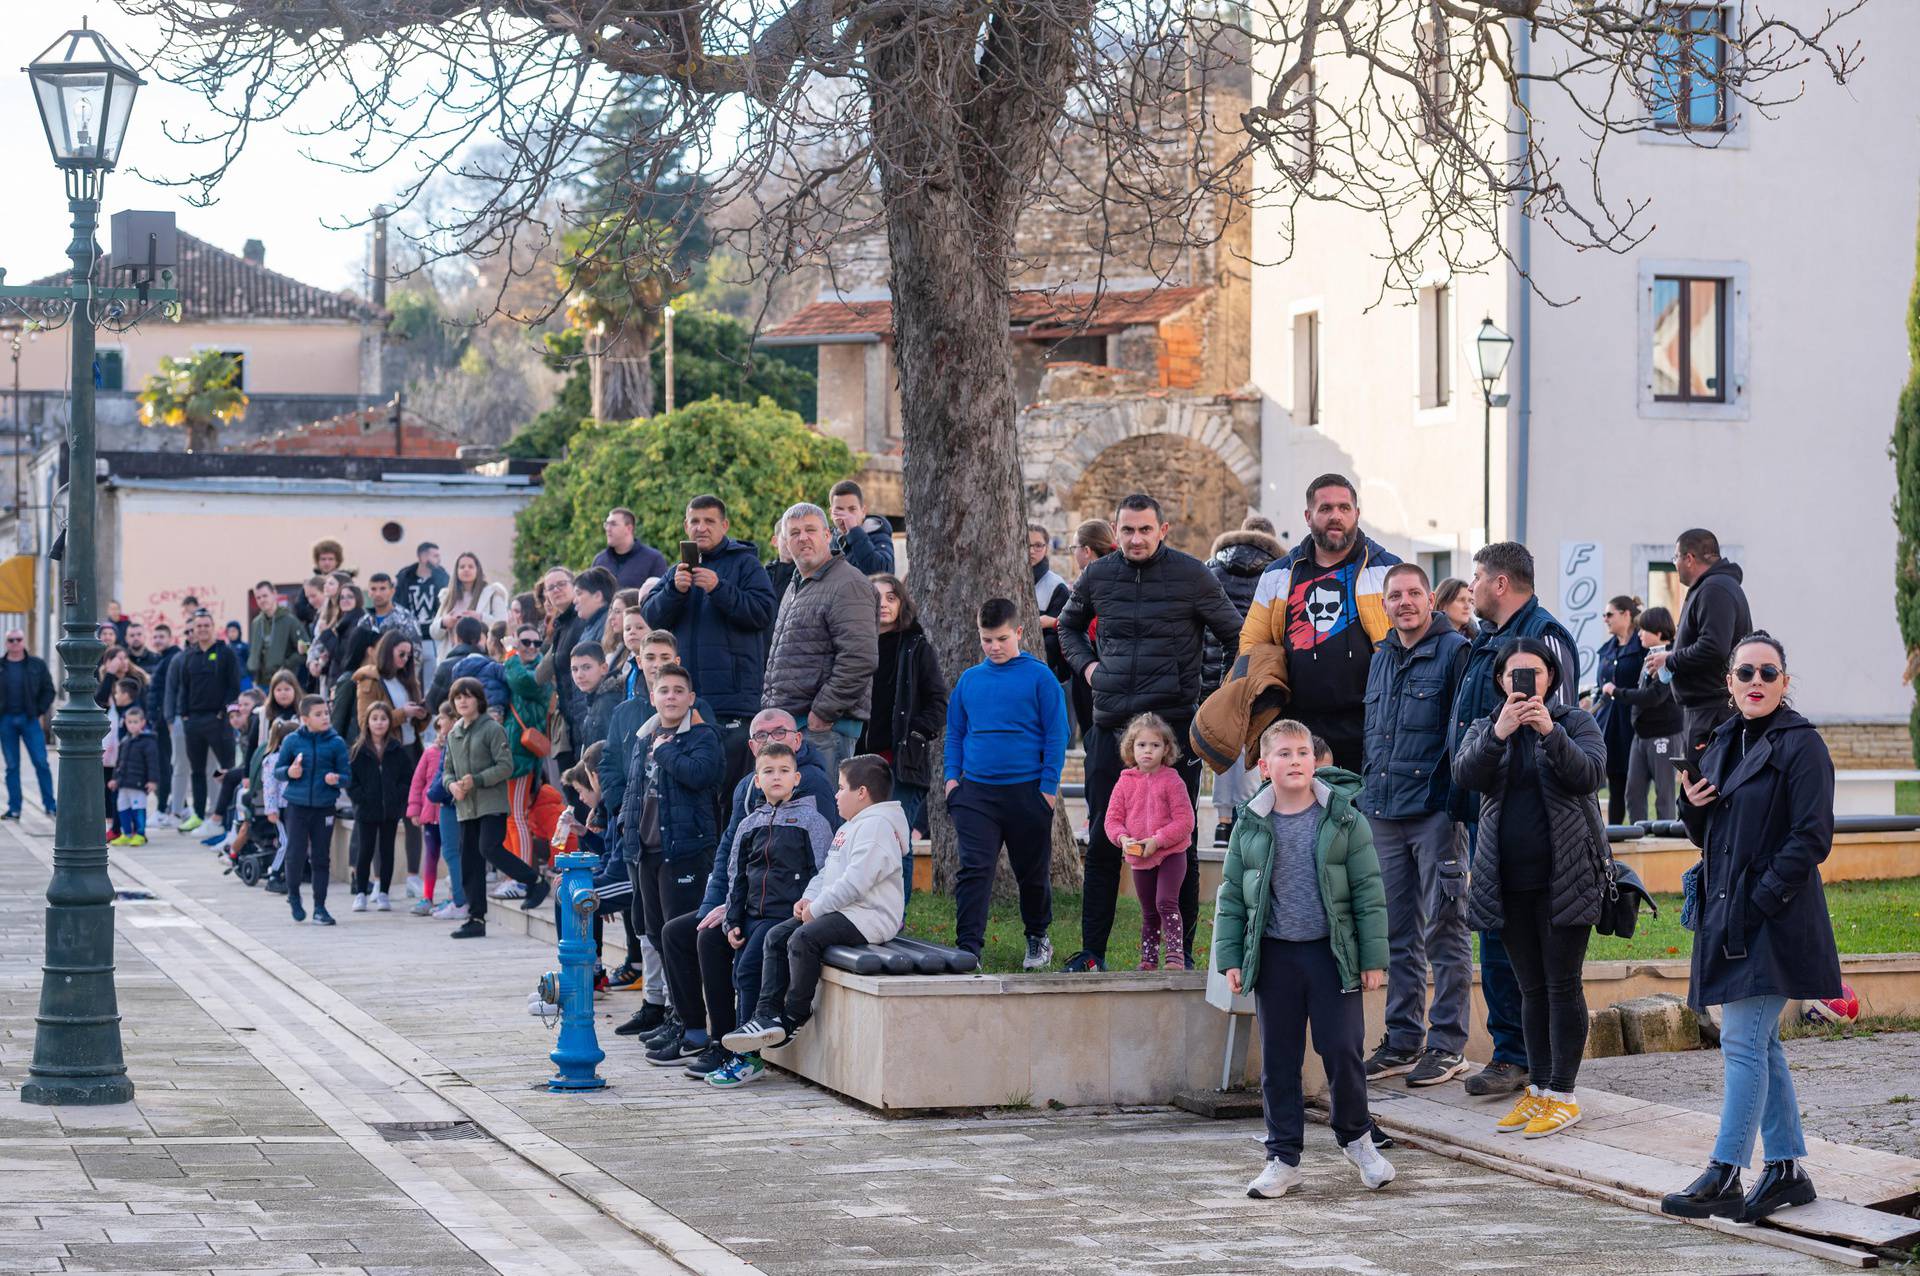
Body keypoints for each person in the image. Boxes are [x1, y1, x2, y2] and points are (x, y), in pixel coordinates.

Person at [1662, 632, 1838, 1224]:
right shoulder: (1721, 741)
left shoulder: (1802, 745)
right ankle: (1786, 1169)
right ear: (1730, 684)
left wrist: (1759, 900)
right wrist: (1693, 804)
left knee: (1741, 1040)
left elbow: (1811, 838)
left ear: (1786, 682)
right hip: (1730, 914)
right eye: (1745, 673)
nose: (1756, 682)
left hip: (1775, 918)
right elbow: (1706, 834)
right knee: (1760, 1041)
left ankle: (1725, 1172)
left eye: (1768, 672)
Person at [1056, 494, 1242, 972]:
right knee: (1102, 839)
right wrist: (1090, 669)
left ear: (1164, 529)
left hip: (1173, 729)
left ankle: (1182, 956)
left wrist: (1209, 695)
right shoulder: (1097, 575)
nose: (1135, 539)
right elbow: (1068, 629)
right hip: (1111, 725)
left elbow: (1235, 635)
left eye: (1144, 529)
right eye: (1127, 530)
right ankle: (1092, 952)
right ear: (1115, 533)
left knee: (1179, 845)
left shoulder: (1193, 576)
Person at [1215, 719, 1394, 1198]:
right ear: (1263, 766)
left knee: (1342, 1049)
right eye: (1284, 754)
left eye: (1302, 753)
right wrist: (1231, 957)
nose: (1295, 761)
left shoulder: (1343, 818)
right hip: (1275, 958)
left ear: (1315, 761)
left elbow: (1368, 891)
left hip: (1331, 957)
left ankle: (1357, 1139)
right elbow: (1232, 895)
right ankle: (1282, 1157)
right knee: (1279, 1060)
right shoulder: (1251, 821)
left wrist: (1373, 959)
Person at [1453, 638, 1608, 1139]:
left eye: (1536, 673)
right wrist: (1499, 732)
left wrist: (1549, 732)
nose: (1525, 682)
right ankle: (1538, 1090)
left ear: (1551, 677)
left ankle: (1563, 1094)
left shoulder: (1575, 722)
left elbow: (1588, 776)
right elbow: (1465, 776)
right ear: (1501, 681)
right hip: (1508, 882)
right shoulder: (1486, 727)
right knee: (1530, 987)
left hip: (1566, 878)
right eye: (1515, 674)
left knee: (1563, 985)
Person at [1446, 540, 1580, 1099]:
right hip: (1493, 814)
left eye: (1476, 576)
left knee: (1543, 967)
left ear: (1500, 583)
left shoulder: (1541, 637)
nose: (1469, 586)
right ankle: (1514, 1054)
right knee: (1501, 939)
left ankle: (1532, 1067)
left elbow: (1568, 728)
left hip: (1542, 828)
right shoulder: (1489, 642)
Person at [646, 709, 841, 1059]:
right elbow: (729, 856)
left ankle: (737, 1048)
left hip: (784, 909)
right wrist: (721, 909)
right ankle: (696, 1032)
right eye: (763, 737)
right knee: (683, 932)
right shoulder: (747, 789)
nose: (772, 741)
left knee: (737, 952)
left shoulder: (811, 785)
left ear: (797, 739)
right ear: (752, 749)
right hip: (748, 903)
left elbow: (823, 866)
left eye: (779, 732)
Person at [720, 754, 908, 1075]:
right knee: (776, 936)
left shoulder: (876, 827)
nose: (835, 795)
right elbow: (827, 873)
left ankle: (795, 1013)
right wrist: (808, 899)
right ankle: (766, 1015)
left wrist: (817, 910)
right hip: (844, 911)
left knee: (801, 939)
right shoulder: (851, 827)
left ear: (861, 792)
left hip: (869, 917)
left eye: (841, 788)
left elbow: (856, 882)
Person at [1358, 563, 1473, 1087]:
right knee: (1396, 934)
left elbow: (1462, 734)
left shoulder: (1455, 652)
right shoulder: (1381, 656)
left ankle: (1448, 1044)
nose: (1404, 602)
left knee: (1444, 929)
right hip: (1383, 813)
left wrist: (1452, 803)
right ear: (1384, 604)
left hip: (1434, 815)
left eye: (1413, 593)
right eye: (1395, 595)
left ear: (1431, 600)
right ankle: (1403, 1040)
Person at [688, 741, 833, 1078]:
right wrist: (733, 920)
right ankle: (737, 1046)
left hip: (786, 917)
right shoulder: (749, 823)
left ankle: (747, 1058)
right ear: (757, 780)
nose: (776, 777)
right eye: (768, 771)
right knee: (741, 971)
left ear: (796, 778)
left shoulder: (811, 820)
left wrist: (809, 909)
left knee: (748, 969)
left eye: (784, 771)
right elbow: (736, 875)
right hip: (751, 916)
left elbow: (824, 870)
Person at [1237, 474, 1401, 771]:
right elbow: (1252, 643)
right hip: (1298, 728)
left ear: (1357, 514)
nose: (1335, 516)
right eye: (1325, 509)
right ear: (1308, 516)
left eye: (1344, 508)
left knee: (1359, 816)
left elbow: (1414, 637)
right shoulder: (1278, 575)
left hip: (1371, 725)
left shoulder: (1388, 569)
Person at [944, 597, 1069, 966]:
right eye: (987, 640)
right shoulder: (970, 680)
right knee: (974, 869)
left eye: (1001, 639)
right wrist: (953, 782)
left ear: (1018, 632)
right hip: (976, 794)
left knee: (1031, 873)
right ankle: (968, 947)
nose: (994, 647)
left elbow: (1056, 735)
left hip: (1027, 792)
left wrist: (1046, 791)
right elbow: (955, 734)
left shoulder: (1040, 677)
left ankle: (1037, 937)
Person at [641, 494, 776, 790]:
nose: (701, 528)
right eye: (695, 521)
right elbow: (651, 616)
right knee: (696, 790)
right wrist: (674, 592)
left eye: (709, 521)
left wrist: (719, 588)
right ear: (685, 526)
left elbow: (764, 612)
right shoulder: (677, 571)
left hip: (734, 704)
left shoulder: (746, 564)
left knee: (731, 792)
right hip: (690, 703)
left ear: (724, 525)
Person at [623, 663, 726, 991]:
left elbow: (701, 775)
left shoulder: (703, 736)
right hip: (646, 849)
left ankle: (686, 1016)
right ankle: (671, 1009)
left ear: (691, 698)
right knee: (654, 933)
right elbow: (633, 792)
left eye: (679, 691)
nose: (671, 697)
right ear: (653, 696)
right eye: (664, 690)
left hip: (684, 850)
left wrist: (666, 752)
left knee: (677, 934)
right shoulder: (643, 737)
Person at [762, 502, 879, 771]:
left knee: (823, 810)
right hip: (792, 726)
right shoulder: (796, 584)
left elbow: (859, 658)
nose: (802, 538)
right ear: (785, 542)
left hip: (825, 729)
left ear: (828, 535)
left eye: (810, 530)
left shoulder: (849, 584)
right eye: (794, 533)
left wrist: (823, 713)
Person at [1201, 517, 1285, 845]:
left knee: (1221, 743)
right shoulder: (1280, 574)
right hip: (1257, 673)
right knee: (1252, 742)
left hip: (1211, 673)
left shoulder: (1210, 570)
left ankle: (1222, 821)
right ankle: (1247, 818)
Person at [444, 677, 549, 938]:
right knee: (470, 861)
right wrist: (451, 786)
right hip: (465, 806)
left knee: (488, 847)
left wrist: (477, 780)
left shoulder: (492, 728)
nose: (463, 701)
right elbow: (446, 770)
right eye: (458, 697)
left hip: (491, 804)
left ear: (479, 699)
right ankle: (476, 918)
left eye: (468, 696)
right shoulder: (453, 733)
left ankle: (534, 881)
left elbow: (506, 766)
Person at [858, 573, 946, 871]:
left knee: (896, 843)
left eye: (891, 597)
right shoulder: (856, 645)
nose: (883, 604)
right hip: (860, 760)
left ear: (902, 603)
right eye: (876, 597)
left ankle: (897, 917)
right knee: (861, 843)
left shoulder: (916, 647)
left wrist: (917, 733)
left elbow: (938, 702)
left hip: (901, 760)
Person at [1646, 529, 1752, 760]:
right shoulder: (1713, 587)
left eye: (1675, 558)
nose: (1675, 565)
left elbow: (1714, 647)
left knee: (1704, 790)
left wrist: (1670, 659)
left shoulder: (1714, 589)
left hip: (1712, 713)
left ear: (1689, 558)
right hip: (1707, 710)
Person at [1103, 713, 1194, 970]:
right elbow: (1112, 820)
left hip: (1171, 854)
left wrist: (1158, 840)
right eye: (1141, 745)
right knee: (1149, 911)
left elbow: (1185, 820)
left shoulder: (1172, 780)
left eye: (1155, 745)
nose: (1148, 751)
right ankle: (1149, 959)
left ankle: (1175, 955)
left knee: (1166, 901)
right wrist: (1122, 838)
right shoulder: (1124, 782)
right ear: (1131, 748)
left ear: (1166, 749)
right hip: (1139, 856)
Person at [275, 694, 351, 926]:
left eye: (326, 713)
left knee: (321, 857)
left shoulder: (336, 742)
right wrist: (290, 772)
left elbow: (348, 777)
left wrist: (336, 778)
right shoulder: (292, 741)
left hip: (324, 807)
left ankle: (320, 907)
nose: (325, 717)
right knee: (296, 854)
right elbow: (278, 770)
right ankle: (294, 896)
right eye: (318, 714)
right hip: (297, 807)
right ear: (305, 719)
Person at [1612, 607, 1685, 821]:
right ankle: (1639, 836)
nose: (1639, 634)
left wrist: (1616, 692)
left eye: (1644, 629)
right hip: (1641, 734)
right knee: (1633, 793)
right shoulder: (1649, 656)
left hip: (1664, 733)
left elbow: (1654, 696)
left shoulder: (1670, 659)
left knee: (1664, 795)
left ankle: (1665, 843)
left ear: (1660, 633)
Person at [175, 611, 243, 833]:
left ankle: (226, 815)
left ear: (214, 627)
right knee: (197, 771)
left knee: (225, 770)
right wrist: (184, 714)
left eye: (206, 625)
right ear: (193, 629)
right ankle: (198, 814)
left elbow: (234, 686)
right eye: (198, 626)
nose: (202, 629)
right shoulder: (190, 656)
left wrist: (224, 713)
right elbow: (183, 688)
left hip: (218, 720)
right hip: (193, 721)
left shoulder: (225, 653)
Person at [347, 702, 414, 912]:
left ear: (389, 722)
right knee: (365, 851)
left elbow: (407, 778)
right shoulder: (358, 750)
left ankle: (384, 892)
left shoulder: (397, 749)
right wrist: (361, 797)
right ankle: (360, 893)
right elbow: (351, 781)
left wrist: (397, 796)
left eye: (383, 718)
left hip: (390, 811)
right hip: (366, 810)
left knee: (387, 851)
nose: (379, 723)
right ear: (367, 722)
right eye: (374, 718)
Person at [1593, 595, 1645, 824]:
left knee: (1634, 785)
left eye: (1609, 614)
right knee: (1614, 782)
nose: (1605, 619)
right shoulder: (1606, 650)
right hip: (1608, 724)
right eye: (1604, 615)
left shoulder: (1642, 648)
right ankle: (1613, 836)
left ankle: (1640, 833)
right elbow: (1599, 687)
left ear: (1626, 615)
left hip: (1634, 723)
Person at [1062, 519, 1116, 740]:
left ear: (1086, 550)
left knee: (1093, 735)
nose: (1074, 553)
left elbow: (1093, 622)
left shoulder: (1096, 577)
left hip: (1095, 661)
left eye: (1074, 548)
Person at [0, 629, 57, 820]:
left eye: (18, 639)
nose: (15, 643)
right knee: (11, 766)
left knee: (41, 762)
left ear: (24, 641)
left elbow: (49, 690)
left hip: (30, 719)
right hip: (6, 720)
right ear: (6, 643)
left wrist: (38, 711)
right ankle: (14, 808)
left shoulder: (37, 665)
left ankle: (51, 805)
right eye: (11, 640)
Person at [408, 707, 453, 916]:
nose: (442, 734)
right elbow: (417, 783)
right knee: (431, 857)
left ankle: (455, 897)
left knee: (452, 856)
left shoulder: (456, 750)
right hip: (429, 816)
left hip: (450, 815)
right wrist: (415, 810)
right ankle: (427, 897)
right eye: (440, 728)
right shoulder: (430, 753)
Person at [431, 552, 510, 645]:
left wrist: (481, 617)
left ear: (478, 570)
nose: (466, 570)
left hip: (482, 654)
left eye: (471, 566)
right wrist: (443, 623)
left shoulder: (492, 593)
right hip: (452, 656)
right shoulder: (448, 596)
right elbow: (433, 633)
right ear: (456, 571)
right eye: (462, 567)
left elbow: (503, 626)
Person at [107, 704, 159, 847]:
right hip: (123, 783)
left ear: (143, 722)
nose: (132, 725)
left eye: (135, 722)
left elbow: (153, 763)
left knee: (138, 809)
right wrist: (114, 779)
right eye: (129, 722)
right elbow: (119, 763)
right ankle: (126, 833)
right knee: (122, 807)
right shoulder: (125, 741)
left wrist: (153, 781)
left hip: (138, 783)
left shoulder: (148, 742)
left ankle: (140, 834)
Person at [1029, 524, 1073, 687]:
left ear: (1046, 548)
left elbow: (1056, 637)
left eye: (1038, 545)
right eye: (1027, 544)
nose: (1032, 550)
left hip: (1046, 669)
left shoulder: (1056, 585)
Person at [828, 479, 895, 574]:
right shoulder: (828, 541)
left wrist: (854, 531)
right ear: (831, 513)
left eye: (852, 509)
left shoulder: (878, 535)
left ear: (863, 511)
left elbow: (883, 572)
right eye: (840, 510)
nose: (846, 516)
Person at [248, 581, 309, 686]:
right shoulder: (256, 623)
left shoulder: (290, 620)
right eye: (258, 597)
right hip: (260, 683)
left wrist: (285, 665)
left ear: (274, 594)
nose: (262, 600)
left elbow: (306, 649)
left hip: (283, 683)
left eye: (265, 596)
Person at [595, 507, 671, 590]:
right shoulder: (599, 561)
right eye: (606, 524)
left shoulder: (654, 559)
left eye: (613, 524)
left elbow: (660, 595)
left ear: (629, 528)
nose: (608, 529)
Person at [567, 642, 623, 752]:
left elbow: (611, 750)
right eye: (574, 669)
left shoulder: (609, 701)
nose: (579, 675)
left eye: (586, 667)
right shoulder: (594, 698)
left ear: (604, 668)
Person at [395, 541, 449, 643]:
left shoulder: (443, 578)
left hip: (434, 637)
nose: (439, 560)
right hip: (409, 637)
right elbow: (397, 604)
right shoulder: (405, 579)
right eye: (435, 556)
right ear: (423, 557)